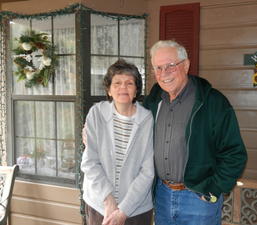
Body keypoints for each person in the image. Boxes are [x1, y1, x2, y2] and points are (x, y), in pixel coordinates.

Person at [143, 40, 248, 225]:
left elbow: (235, 153)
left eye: (170, 66)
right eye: (158, 68)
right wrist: (93, 132)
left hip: (198, 199)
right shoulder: (152, 102)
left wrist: (214, 188)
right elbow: (128, 123)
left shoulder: (212, 102)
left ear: (186, 65)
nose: (163, 73)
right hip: (162, 195)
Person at [81, 59, 154, 225]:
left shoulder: (147, 119)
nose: (123, 88)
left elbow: (148, 171)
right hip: (100, 206)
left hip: (136, 209)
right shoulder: (96, 114)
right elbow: (90, 163)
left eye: (129, 83)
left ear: (136, 90)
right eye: (117, 83)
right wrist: (109, 201)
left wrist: (124, 210)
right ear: (109, 90)